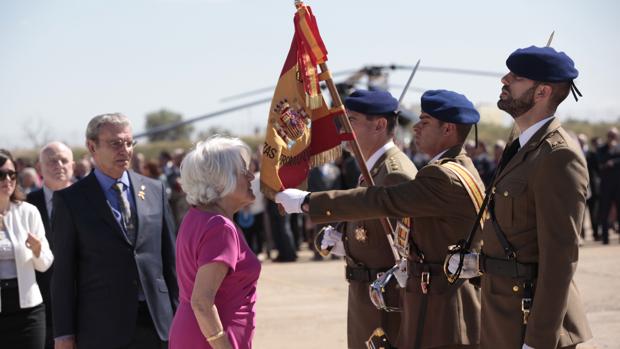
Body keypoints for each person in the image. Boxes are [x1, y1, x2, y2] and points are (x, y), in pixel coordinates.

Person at [276, 89, 484, 349]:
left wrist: (308, 202)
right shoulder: (450, 170)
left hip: (444, 309)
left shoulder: (444, 176)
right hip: (433, 302)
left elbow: (380, 201)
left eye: (426, 122)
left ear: (448, 129)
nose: (416, 128)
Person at [455, 46, 593, 348]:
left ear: (542, 91)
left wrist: (539, 341)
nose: (504, 79)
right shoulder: (522, 147)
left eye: (516, 77)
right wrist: (478, 262)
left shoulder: (557, 155)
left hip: (530, 322)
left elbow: (560, 259)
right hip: (503, 316)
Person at [51, 113, 178, 349]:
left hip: (157, 323)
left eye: (129, 143)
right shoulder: (70, 200)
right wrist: (64, 333)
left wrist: (179, 314)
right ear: (92, 146)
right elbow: (63, 275)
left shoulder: (153, 190)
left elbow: (170, 260)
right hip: (102, 328)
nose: (125, 150)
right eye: (116, 143)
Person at [322, 89, 418, 347]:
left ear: (379, 125)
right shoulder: (372, 169)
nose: (344, 131)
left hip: (386, 301)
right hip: (366, 296)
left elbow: (408, 248)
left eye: (351, 121)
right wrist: (346, 242)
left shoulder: (393, 173)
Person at [169, 136, 261, 349]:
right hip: (213, 337)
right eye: (243, 171)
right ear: (222, 180)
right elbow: (201, 302)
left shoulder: (197, 216)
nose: (250, 176)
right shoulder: (220, 226)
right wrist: (222, 344)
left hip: (196, 332)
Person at [0, 149, 54, 349]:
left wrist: (38, 249)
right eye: (1, 174)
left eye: (12, 174)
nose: (8, 179)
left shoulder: (28, 212)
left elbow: (45, 263)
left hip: (28, 311)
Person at [26, 141, 75, 349]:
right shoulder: (26, 205)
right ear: (39, 168)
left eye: (64, 161)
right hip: (42, 307)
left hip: (83, 302)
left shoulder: (90, 201)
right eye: (52, 161)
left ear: (73, 165)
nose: (59, 166)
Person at [597, 127, 620, 244]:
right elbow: (600, 162)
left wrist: (613, 162)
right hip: (606, 187)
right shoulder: (602, 149)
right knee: (604, 213)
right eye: (610, 135)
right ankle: (605, 239)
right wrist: (610, 150)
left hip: (618, 187)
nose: (612, 138)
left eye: (614, 135)